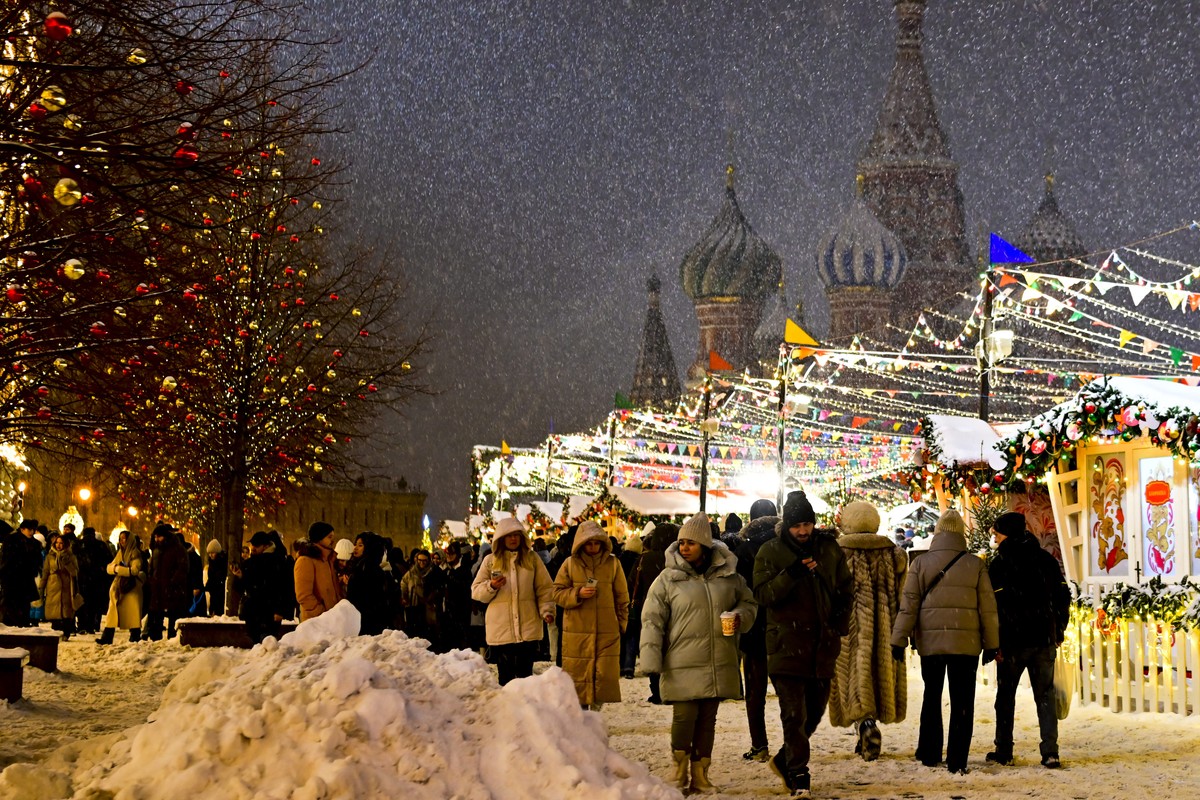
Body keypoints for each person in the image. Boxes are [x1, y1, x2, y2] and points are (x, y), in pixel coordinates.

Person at [640, 512, 757, 794]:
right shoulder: (667, 579)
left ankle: (700, 773)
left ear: (705, 545)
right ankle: (679, 769)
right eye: (682, 543)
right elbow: (652, 619)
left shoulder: (729, 576)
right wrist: (651, 659)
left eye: (691, 543)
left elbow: (749, 603)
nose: (684, 548)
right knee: (684, 717)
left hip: (717, 659)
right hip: (681, 660)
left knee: (707, 720)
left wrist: (740, 617)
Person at [753, 491, 852, 799]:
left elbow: (845, 586)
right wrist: (791, 574)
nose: (803, 531)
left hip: (822, 645)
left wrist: (839, 617)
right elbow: (762, 595)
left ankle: (784, 759)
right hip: (786, 644)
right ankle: (799, 774)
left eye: (808, 523)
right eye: (797, 525)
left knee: (813, 714)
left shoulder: (828, 549)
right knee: (793, 714)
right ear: (787, 526)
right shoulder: (770, 551)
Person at [890, 508, 999, 775]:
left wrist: (899, 639)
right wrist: (992, 643)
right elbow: (988, 608)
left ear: (937, 534)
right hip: (966, 644)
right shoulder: (975, 564)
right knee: (963, 700)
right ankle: (957, 759)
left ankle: (929, 752)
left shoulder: (920, 564)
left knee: (932, 696)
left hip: (931, 642)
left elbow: (909, 606)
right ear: (961, 535)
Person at [986, 511, 1071, 769]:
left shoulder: (999, 564)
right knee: (1045, 697)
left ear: (1007, 534)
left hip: (1012, 641)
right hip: (1043, 638)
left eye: (996, 534)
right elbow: (1062, 596)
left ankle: (1004, 749)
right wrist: (1058, 630)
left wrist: (994, 643)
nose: (994, 538)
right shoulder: (1045, 559)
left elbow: (992, 607)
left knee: (1006, 696)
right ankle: (1050, 751)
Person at [828, 501, 909, 761]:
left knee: (852, 677)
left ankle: (864, 724)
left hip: (845, 629)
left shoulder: (835, 554)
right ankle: (866, 725)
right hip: (885, 629)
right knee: (876, 673)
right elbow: (903, 594)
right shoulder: (893, 554)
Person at [552, 520, 630, 708]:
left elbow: (622, 597)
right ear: (581, 543)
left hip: (607, 632)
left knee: (603, 677)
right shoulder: (570, 564)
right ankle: (581, 718)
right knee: (578, 677)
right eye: (589, 543)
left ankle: (595, 717)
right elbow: (556, 593)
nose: (593, 547)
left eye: (596, 543)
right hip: (577, 632)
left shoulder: (613, 564)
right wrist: (577, 593)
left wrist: (621, 623)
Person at [470, 517, 555, 685]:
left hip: (528, 626)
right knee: (506, 678)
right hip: (502, 628)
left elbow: (544, 588)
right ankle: (508, 710)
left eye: (517, 535)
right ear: (501, 538)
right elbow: (476, 591)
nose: (513, 539)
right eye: (509, 536)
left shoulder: (532, 559)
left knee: (526, 678)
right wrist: (491, 586)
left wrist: (547, 610)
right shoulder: (490, 561)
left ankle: (526, 710)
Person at [733, 498, 779, 762]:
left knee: (755, 691)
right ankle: (793, 742)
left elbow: (737, 588)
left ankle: (759, 745)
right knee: (788, 691)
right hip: (783, 624)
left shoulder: (744, 549)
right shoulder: (785, 544)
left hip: (754, 626)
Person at [630, 521, 674, 704]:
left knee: (652, 645)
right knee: (672, 648)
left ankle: (656, 689)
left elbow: (632, 583)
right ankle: (670, 688)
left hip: (648, 608)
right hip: (673, 608)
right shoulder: (675, 559)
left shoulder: (644, 559)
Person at [235, 530, 295, 643]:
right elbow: (242, 588)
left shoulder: (278, 561)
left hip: (269, 611)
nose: (253, 548)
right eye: (252, 544)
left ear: (266, 546)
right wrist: (240, 576)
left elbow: (283, 587)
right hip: (254, 610)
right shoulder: (250, 562)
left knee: (267, 641)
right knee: (257, 641)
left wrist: (280, 610)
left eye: (257, 545)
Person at [96, 531, 145, 645]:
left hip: (130, 588)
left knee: (132, 614)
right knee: (112, 613)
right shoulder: (120, 553)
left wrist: (118, 569)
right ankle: (107, 637)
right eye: (121, 538)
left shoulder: (134, 553)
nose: (122, 541)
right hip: (120, 588)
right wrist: (116, 568)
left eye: (124, 539)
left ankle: (135, 636)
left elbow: (134, 570)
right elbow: (109, 567)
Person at [143, 524, 190, 640]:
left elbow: (182, 568)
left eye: (159, 537)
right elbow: (152, 567)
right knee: (156, 616)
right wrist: (151, 580)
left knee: (173, 615)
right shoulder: (156, 550)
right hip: (157, 588)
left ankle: (172, 639)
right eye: (155, 537)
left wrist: (173, 582)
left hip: (171, 589)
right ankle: (155, 638)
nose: (156, 539)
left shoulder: (177, 549)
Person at [346, 532, 396, 636]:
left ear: (369, 548)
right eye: (356, 544)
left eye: (360, 545)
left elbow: (368, 597)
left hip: (366, 621)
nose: (355, 548)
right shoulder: (361, 565)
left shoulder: (368, 568)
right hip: (364, 619)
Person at [294, 521, 343, 621]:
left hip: (332, 619)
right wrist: (321, 612)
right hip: (316, 622)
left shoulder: (329, 559)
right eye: (329, 537)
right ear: (319, 538)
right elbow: (304, 595)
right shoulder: (306, 560)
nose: (333, 540)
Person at [0, 518, 44, 626]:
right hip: (12, 577)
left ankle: (22, 622)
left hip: (25, 578)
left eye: (33, 530)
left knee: (24, 603)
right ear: (22, 529)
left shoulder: (35, 543)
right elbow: (6, 559)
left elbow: (37, 560)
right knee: (12, 603)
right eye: (29, 530)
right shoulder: (11, 540)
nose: (32, 532)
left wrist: (34, 569)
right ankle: (12, 622)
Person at [399, 549, 445, 647]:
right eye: (419, 560)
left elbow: (440, 588)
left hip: (429, 607)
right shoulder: (412, 572)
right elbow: (404, 582)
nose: (421, 563)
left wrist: (432, 596)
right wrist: (405, 595)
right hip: (414, 606)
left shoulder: (434, 571)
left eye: (424, 560)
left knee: (429, 632)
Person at [40, 533, 81, 639]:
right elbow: (45, 572)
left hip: (66, 586)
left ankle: (66, 632)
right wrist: (41, 588)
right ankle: (56, 632)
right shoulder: (50, 556)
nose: (58, 545)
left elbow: (75, 572)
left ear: (65, 544)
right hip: (53, 585)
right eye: (57, 543)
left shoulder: (71, 556)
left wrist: (66, 563)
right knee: (54, 611)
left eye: (61, 543)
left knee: (66, 610)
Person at [204, 539, 229, 616]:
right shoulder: (212, 563)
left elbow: (218, 577)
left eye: (213, 553)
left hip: (220, 592)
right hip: (214, 592)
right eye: (209, 553)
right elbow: (211, 577)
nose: (211, 555)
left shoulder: (222, 562)